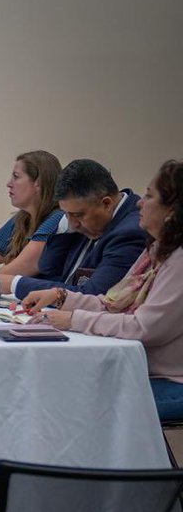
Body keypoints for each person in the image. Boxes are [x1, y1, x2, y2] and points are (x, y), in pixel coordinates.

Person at [23, 160, 183, 422]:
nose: (140, 202)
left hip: (171, 382)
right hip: (145, 370)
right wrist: (63, 298)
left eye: (151, 196)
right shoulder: (156, 251)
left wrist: (72, 319)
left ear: (172, 211)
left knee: (76, 402)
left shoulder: (178, 259)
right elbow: (112, 302)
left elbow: (142, 328)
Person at [10, 158, 147, 299]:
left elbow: (93, 295)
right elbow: (48, 269)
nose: (73, 223)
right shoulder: (83, 222)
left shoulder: (130, 232)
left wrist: (15, 283)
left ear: (106, 203)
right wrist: (63, 228)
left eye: (77, 215)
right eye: (66, 214)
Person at [0, 151, 64, 292]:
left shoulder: (58, 219)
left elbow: (7, 275)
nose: (8, 184)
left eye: (16, 177)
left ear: (38, 183)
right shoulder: (22, 218)